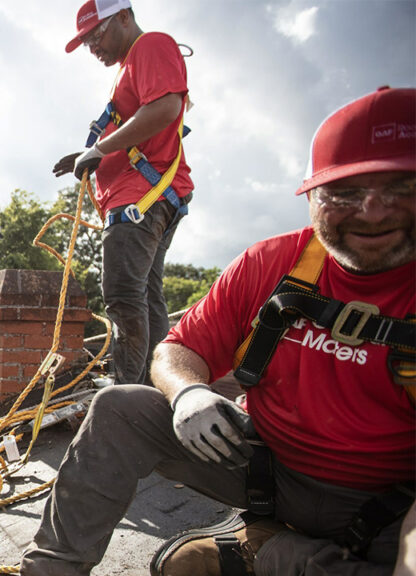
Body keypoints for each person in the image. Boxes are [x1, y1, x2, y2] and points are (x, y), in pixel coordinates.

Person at [21, 86, 415, 576]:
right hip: (269, 473)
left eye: (402, 190)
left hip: (387, 511)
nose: (373, 212)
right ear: (313, 196)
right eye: (346, 193)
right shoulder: (273, 265)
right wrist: (188, 392)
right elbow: (177, 348)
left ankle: (268, 551)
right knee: (120, 408)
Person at [53, 0, 193, 385]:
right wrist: (90, 154)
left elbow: (165, 107)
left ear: (124, 18)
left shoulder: (150, 46)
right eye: (85, 42)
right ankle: (152, 386)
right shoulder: (128, 66)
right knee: (145, 298)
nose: (92, 48)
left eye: (95, 36)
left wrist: (99, 150)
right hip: (148, 196)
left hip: (141, 200)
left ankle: (126, 393)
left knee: (123, 297)